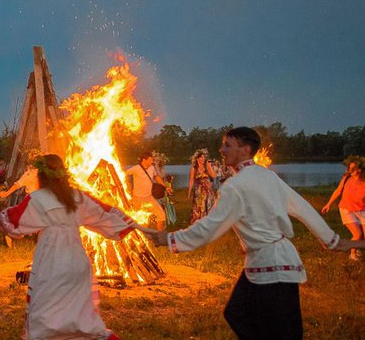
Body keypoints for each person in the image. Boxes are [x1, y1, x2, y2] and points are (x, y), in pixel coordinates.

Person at [147, 127, 364, 340]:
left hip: (273, 266)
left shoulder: (235, 186)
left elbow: (210, 227)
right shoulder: (267, 176)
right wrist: (331, 239)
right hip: (263, 264)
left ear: (245, 149)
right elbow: (303, 207)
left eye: (227, 145)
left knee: (279, 330)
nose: (222, 150)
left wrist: (170, 238)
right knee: (238, 314)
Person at [0, 154, 155, 340]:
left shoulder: (37, 198)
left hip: (51, 262)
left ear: (41, 177)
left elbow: (15, 221)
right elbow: (105, 214)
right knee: (78, 315)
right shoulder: (77, 196)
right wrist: (138, 227)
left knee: (46, 314)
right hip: (76, 261)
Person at [321, 155, 365, 261]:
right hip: (346, 209)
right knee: (357, 234)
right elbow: (338, 191)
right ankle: (353, 255)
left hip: (362, 209)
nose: (349, 170)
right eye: (349, 168)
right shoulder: (347, 178)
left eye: (352, 168)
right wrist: (328, 204)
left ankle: (357, 248)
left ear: (359, 169)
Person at [125, 151, 168, 230]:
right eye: (151, 160)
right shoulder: (136, 168)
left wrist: (165, 186)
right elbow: (124, 174)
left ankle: (160, 236)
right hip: (137, 199)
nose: (152, 162)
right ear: (144, 160)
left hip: (149, 197)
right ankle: (141, 238)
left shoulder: (152, 168)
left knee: (161, 215)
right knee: (140, 221)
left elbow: (156, 177)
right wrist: (127, 186)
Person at [188, 149, 217, 224]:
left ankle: (208, 225)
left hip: (208, 191)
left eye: (204, 157)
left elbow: (214, 176)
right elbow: (191, 181)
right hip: (198, 192)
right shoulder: (194, 168)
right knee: (199, 208)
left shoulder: (207, 166)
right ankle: (198, 225)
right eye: (202, 157)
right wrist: (189, 193)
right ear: (197, 158)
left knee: (209, 207)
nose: (203, 159)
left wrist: (209, 166)